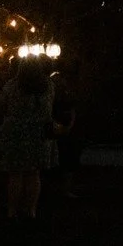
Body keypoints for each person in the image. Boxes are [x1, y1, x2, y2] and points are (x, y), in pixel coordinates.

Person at [0, 60, 55, 219]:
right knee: (33, 173)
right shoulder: (47, 86)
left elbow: (2, 105)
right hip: (39, 132)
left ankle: (12, 210)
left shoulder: (12, 85)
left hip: (16, 132)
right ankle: (31, 209)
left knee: (15, 173)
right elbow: (50, 107)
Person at [49, 60, 83, 199]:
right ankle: (56, 189)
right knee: (59, 160)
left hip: (66, 130)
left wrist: (69, 126)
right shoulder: (51, 97)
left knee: (68, 160)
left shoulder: (68, 94)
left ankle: (64, 189)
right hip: (55, 130)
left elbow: (73, 110)